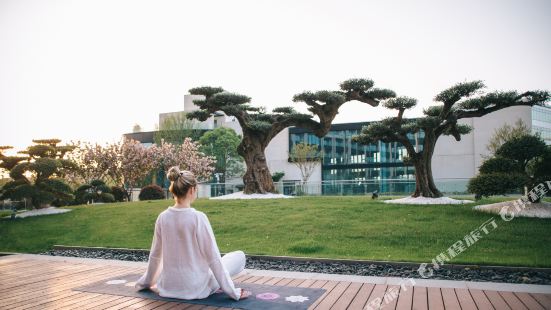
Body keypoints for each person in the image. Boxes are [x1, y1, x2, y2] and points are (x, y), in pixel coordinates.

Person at [135, 166, 252, 301]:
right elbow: (213, 258)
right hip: (197, 289)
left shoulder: (162, 217)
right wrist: (233, 292)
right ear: (192, 190)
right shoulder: (198, 218)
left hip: (168, 287)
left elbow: (155, 256)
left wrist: (145, 283)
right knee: (239, 256)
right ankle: (219, 282)